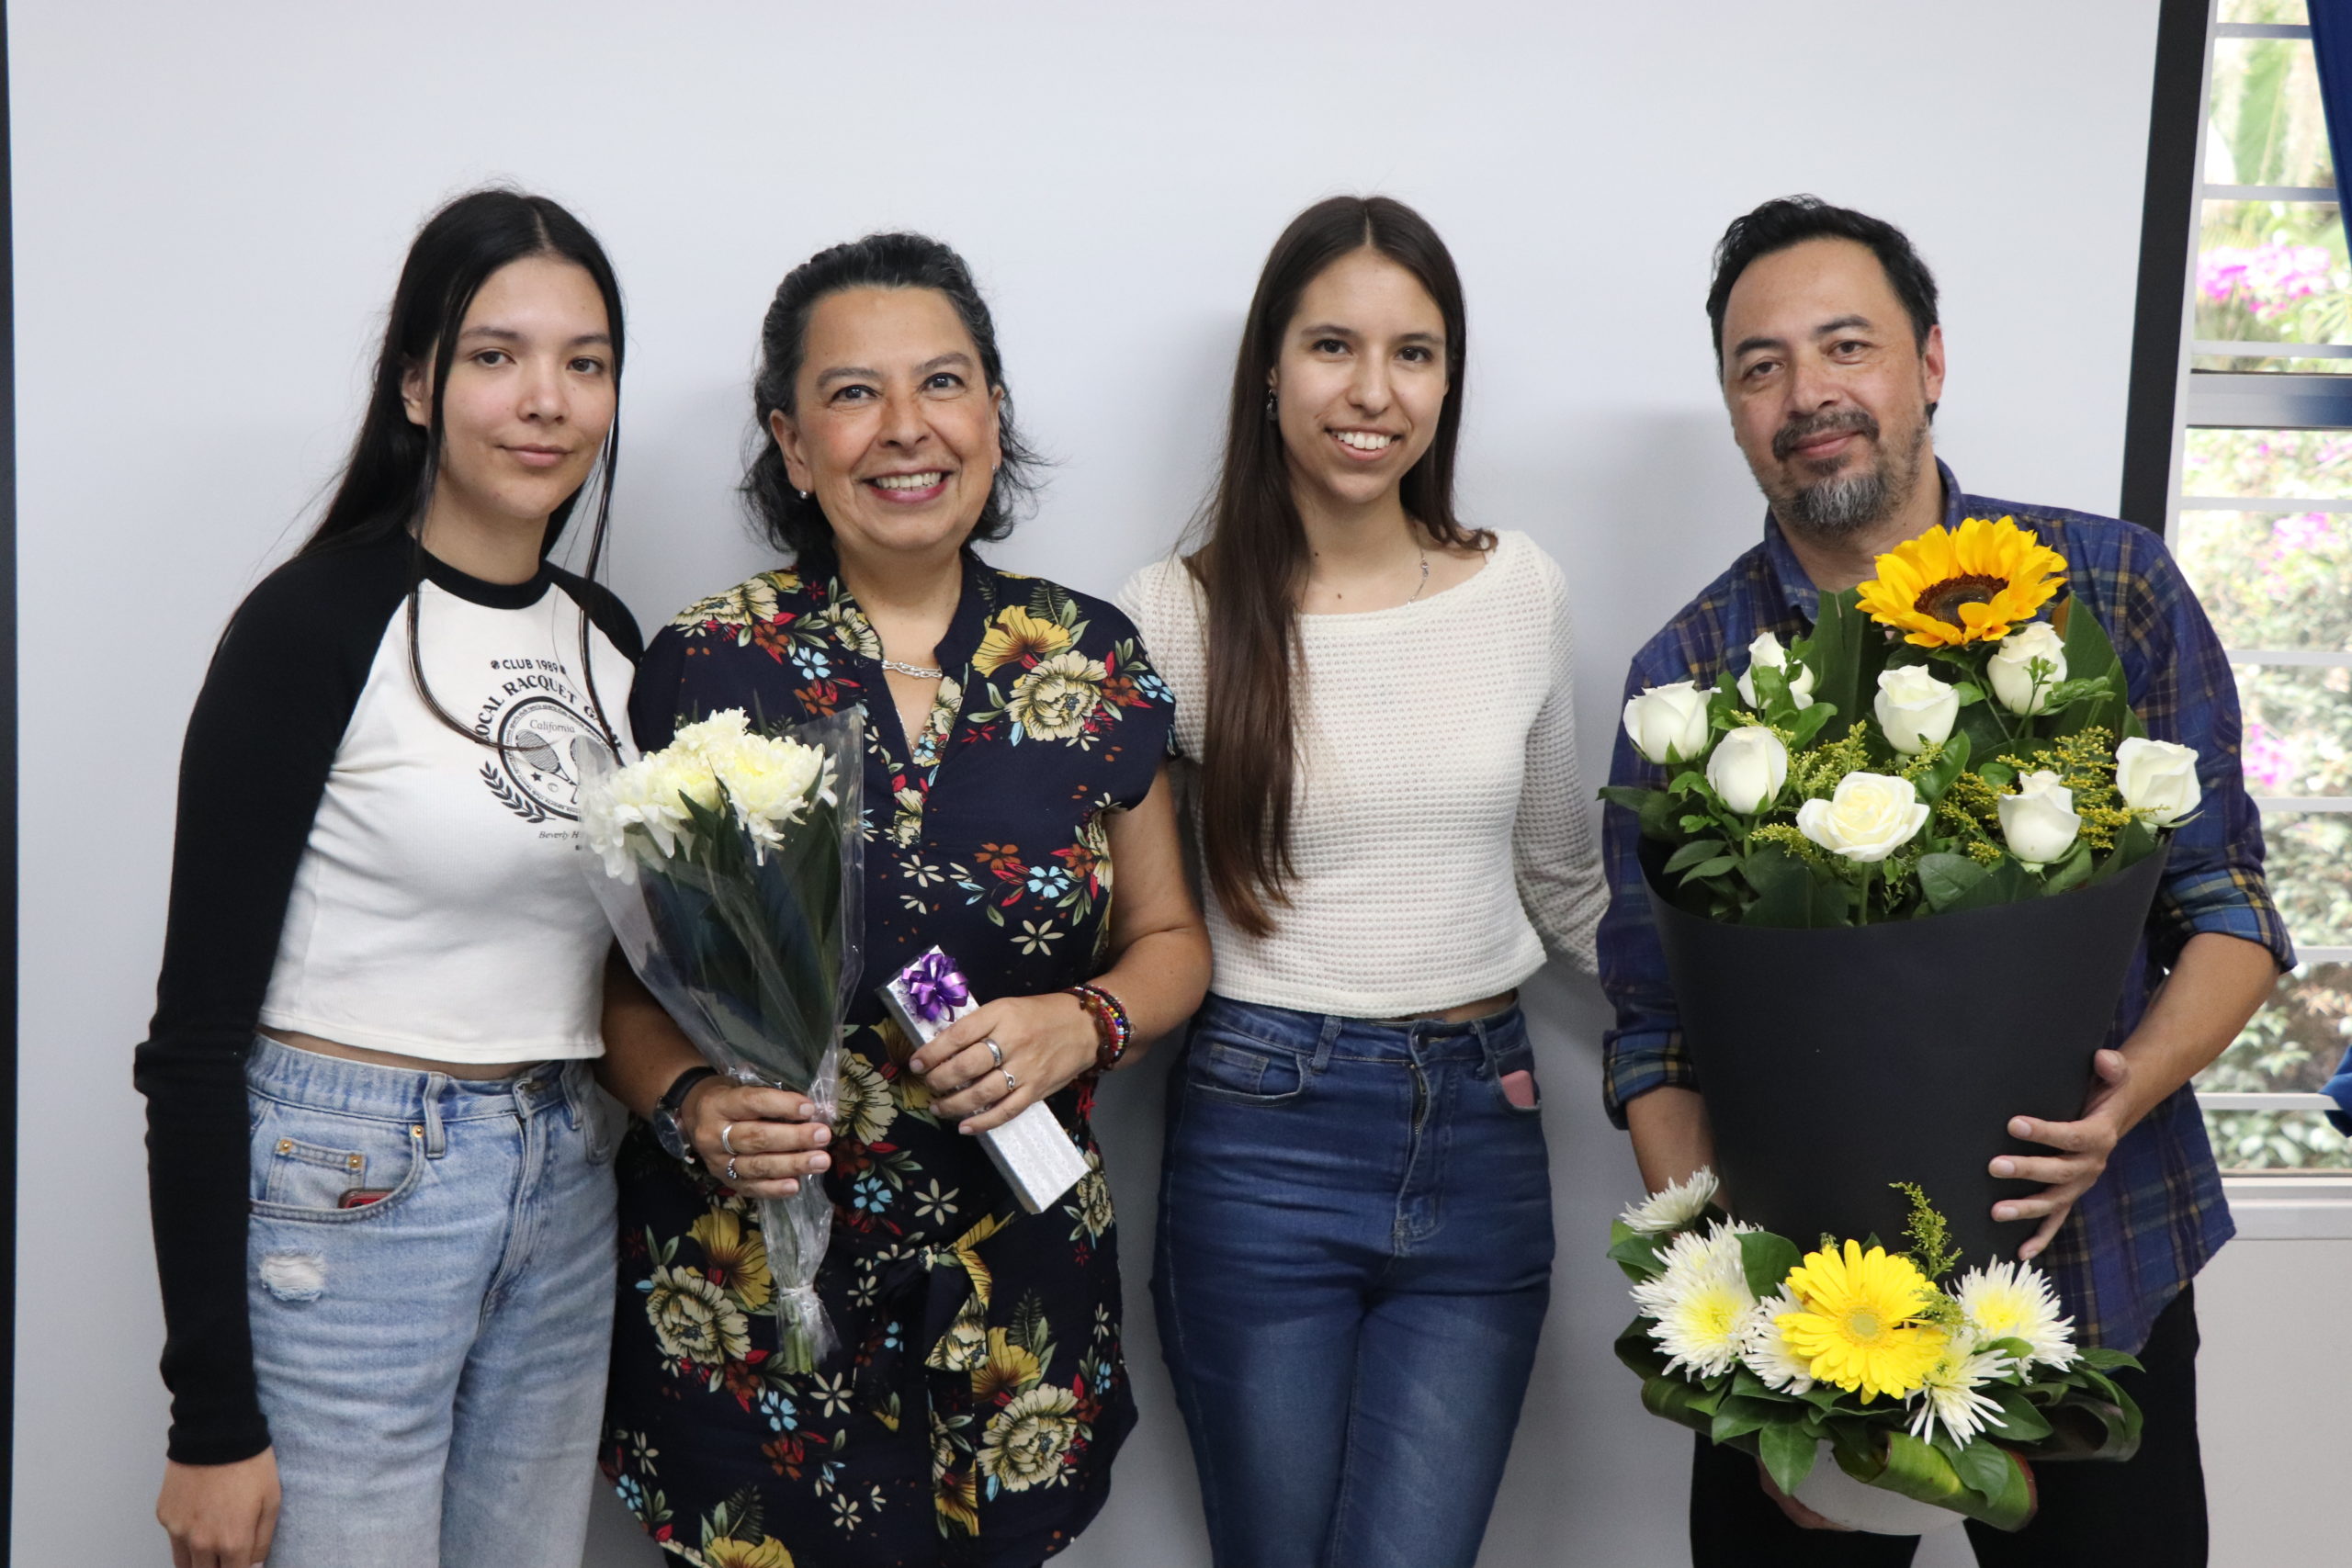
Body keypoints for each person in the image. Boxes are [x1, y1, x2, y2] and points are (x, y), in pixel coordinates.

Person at [1597, 196, 2292, 1566]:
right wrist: (1734, 1329)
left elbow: (2231, 910)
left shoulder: (2112, 588)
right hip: (1807, 1323)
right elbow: (1655, 1032)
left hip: (2101, 1272)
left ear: (1929, 361)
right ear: (1733, 410)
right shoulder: (1686, 676)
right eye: (1760, 366)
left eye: (1846, 345)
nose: (1809, 393)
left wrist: (2118, 1106)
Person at [599, 231, 1210, 1568]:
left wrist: (1085, 1021)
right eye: (851, 393)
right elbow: (622, 985)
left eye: (942, 381)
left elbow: (1173, 940)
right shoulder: (707, 663)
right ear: (792, 443)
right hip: (755, 1290)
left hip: (1013, 1286)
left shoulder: (1089, 654)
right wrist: (692, 1105)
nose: (904, 427)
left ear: (993, 410)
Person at [134, 188, 641, 1568]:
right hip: (350, 1182)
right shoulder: (311, 623)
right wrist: (209, 1417)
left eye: (586, 362)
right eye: (495, 355)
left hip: (565, 1175)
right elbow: (192, 1039)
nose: (546, 401)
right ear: (416, 385)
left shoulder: (610, 640)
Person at [1119, 195, 1607, 1568]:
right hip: (1262, 1128)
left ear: (1449, 382)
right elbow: (1133, 911)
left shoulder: (1518, 589)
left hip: (1486, 1125)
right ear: (1271, 371)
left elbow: (1564, 878)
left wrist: (1762, 1030)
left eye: (1415, 354)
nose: (1373, 393)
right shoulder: (1171, 614)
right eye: (1333, 346)